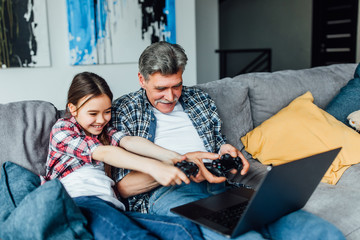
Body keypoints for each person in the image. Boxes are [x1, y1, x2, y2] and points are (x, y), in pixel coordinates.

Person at [111, 41, 345, 240]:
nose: (170, 97)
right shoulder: (124, 110)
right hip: (169, 193)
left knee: (312, 228)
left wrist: (226, 150)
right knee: (247, 236)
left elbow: (217, 141)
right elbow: (123, 188)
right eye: (161, 88)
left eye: (177, 86)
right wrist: (179, 164)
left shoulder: (199, 99)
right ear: (142, 80)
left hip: (221, 185)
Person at [42, 72, 204, 240]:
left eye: (107, 111)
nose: (101, 119)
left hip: (112, 207)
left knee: (183, 228)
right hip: (80, 204)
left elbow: (130, 142)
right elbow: (104, 153)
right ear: (72, 109)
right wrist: (154, 167)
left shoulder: (104, 132)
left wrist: (176, 158)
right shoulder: (62, 129)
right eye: (93, 113)